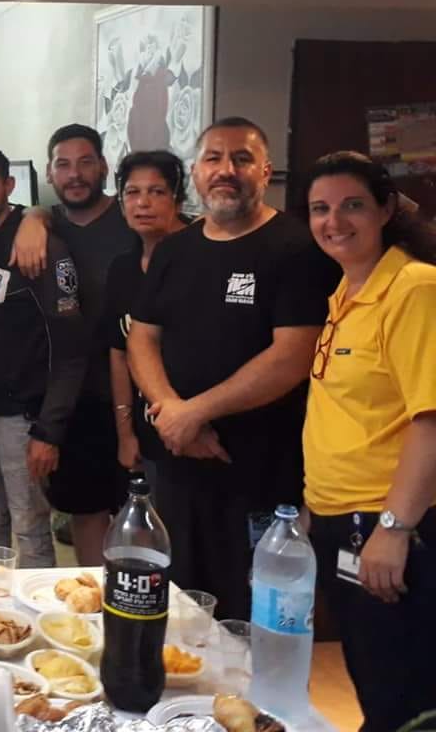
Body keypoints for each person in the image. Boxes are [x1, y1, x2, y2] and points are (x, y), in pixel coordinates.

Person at [126, 116, 340, 619]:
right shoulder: (175, 250)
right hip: (177, 465)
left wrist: (195, 413)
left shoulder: (298, 248)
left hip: (259, 473)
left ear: (265, 171)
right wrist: (172, 412)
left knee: (251, 614)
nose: (226, 170)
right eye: (213, 159)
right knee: (178, 604)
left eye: (242, 159)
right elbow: (142, 336)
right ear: (196, 173)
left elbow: (293, 356)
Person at [301, 151, 436, 732]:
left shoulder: (414, 288)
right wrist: (313, 507)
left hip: (388, 524)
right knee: (372, 674)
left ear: (386, 209)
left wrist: (395, 529)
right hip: (341, 519)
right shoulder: (347, 293)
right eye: (320, 209)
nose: (334, 221)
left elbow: (430, 421)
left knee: (404, 693)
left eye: (352, 205)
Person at [0, 145, 88, 568]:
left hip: (20, 417)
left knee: (30, 527)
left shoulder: (39, 247)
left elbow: (70, 348)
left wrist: (49, 430)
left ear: (9, 186)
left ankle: (31, 606)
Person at [39, 124, 138, 566]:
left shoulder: (132, 219)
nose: (74, 174)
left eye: (85, 163)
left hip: (141, 392)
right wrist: (33, 219)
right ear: (49, 173)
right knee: (86, 510)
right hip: (77, 396)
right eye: (63, 165)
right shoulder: (49, 226)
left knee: (142, 511)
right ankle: (95, 599)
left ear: (103, 166)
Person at [104, 150, 189, 494]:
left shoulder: (202, 257)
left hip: (198, 429)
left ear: (177, 199)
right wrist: (125, 433)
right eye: (132, 192)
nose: (143, 203)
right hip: (148, 432)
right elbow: (119, 352)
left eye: (156, 192)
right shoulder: (122, 268)